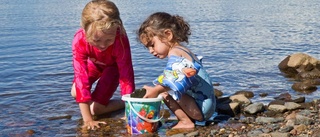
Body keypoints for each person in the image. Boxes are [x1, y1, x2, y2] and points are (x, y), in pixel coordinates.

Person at [137, 12, 216, 129]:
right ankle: (187, 119)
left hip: (201, 109)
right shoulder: (183, 51)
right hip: (208, 106)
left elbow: (173, 79)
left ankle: (185, 122)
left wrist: (156, 90)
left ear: (168, 35)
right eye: (147, 47)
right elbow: (172, 76)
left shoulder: (175, 53)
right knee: (164, 86)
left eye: (152, 45)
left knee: (164, 93)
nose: (151, 51)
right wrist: (155, 87)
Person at [70, 0, 135, 130]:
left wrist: (131, 111)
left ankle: (128, 103)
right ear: (85, 30)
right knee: (75, 92)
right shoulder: (79, 40)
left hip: (113, 67)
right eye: (96, 40)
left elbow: (126, 76)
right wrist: (87, 120)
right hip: (94, 64)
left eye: (108, 39)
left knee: (96, 109)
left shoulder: (120, 39)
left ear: (118, 28)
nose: (102, 45)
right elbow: (81, 78)